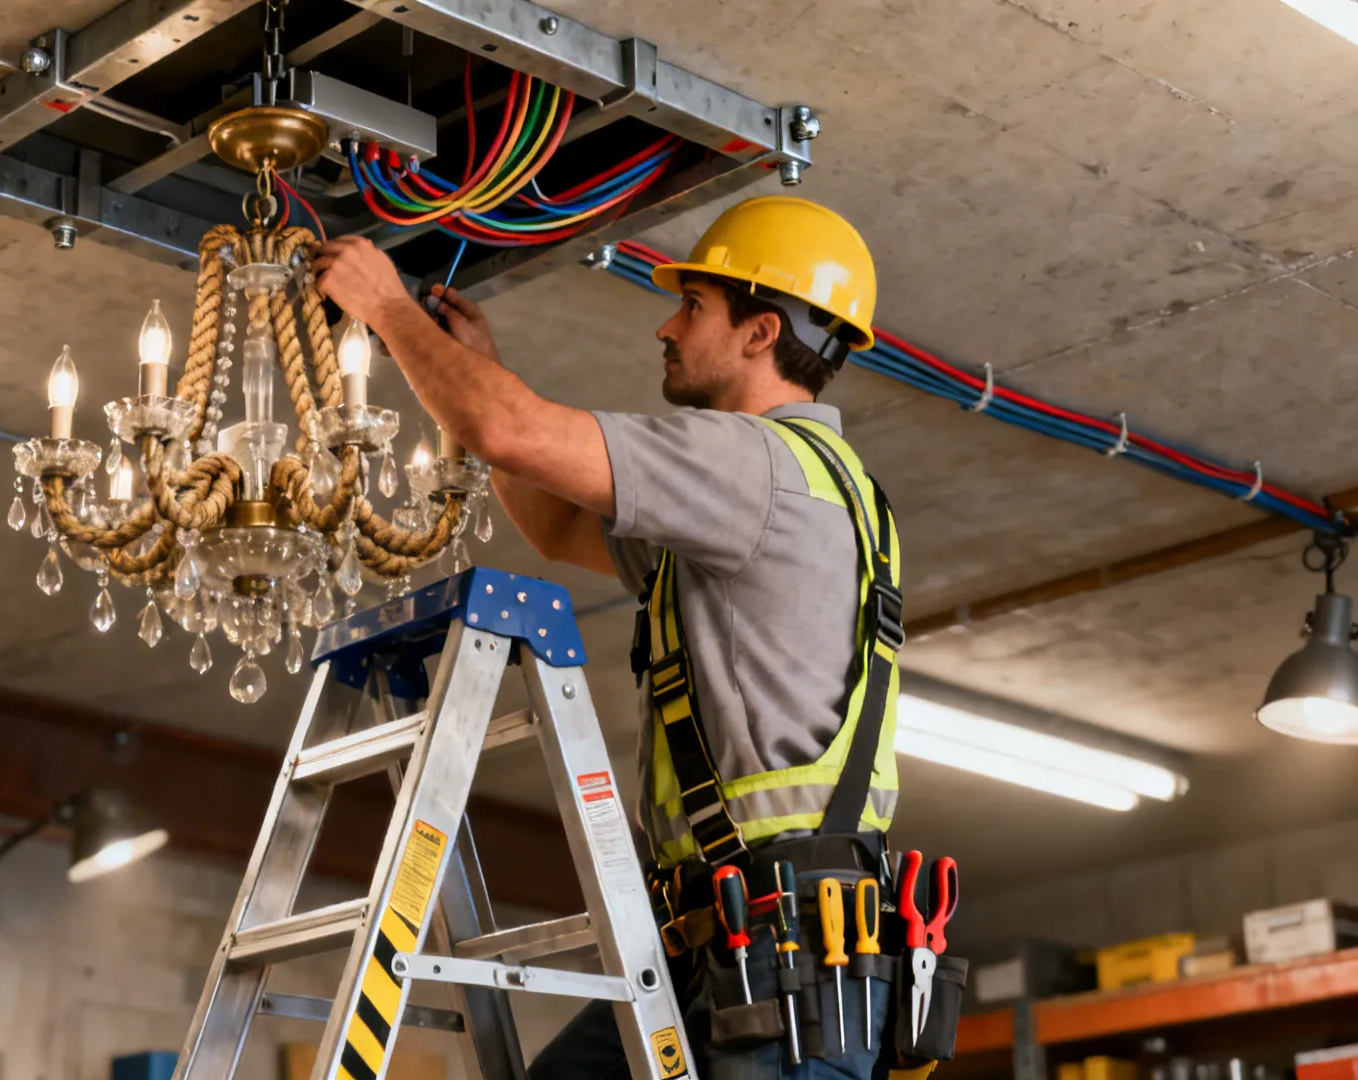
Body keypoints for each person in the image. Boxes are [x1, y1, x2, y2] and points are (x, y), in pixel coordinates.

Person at [316, 196, 912, 1079]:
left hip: (779, 957)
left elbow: (510, 430)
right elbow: (559, 523)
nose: (666, 328)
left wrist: (389, 310)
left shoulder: (751, 463)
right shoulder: (806, 489)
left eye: (693, 307)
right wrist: (470, 371)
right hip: (721, 940)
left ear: (760, 331)